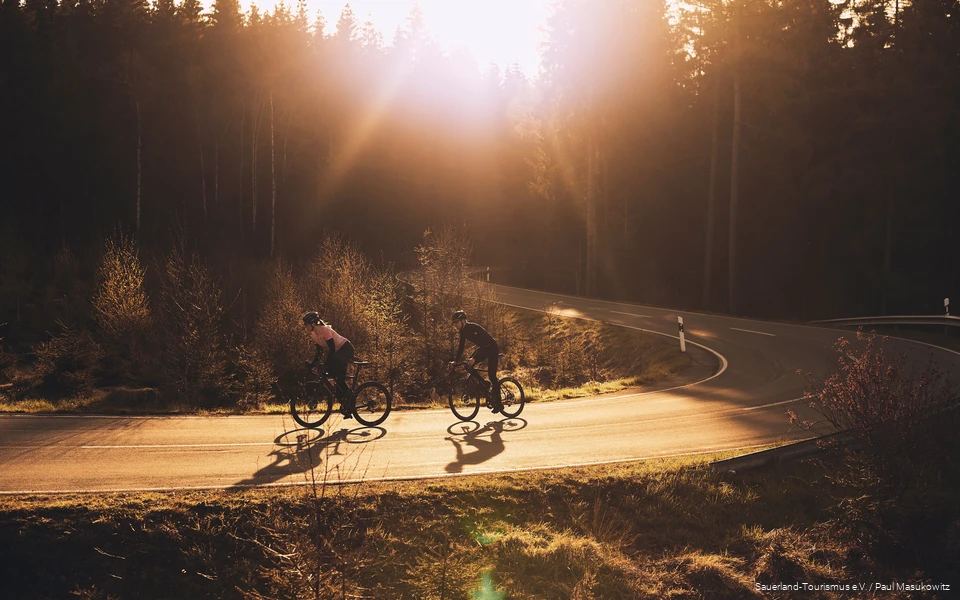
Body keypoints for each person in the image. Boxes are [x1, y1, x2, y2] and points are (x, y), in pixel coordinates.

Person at [447, 310, 503, 413]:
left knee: (492, 376)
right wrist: (455, 361)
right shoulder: (463, 332)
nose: (455, 325)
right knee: (467, 366)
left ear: (463, 321)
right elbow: (461, 347)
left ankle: (499, 404)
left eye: (456, 322)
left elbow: (486, 344)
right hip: (484, 348)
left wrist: (475, 358)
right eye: (454, 323)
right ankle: (484, 383)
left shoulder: (473, 328)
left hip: (492, 347)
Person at [302, 311, 355, 418]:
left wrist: (326, 364)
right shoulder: (313, 334)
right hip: (338, 351)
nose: (305, 326)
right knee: (334, 377)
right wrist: (312, 364)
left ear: (313, 323)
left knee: (336, 374)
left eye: (306, 324)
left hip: (345, 348)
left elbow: (332, 349)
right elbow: (319, 351)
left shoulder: (324, 330)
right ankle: (345, 402)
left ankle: (349, 400)